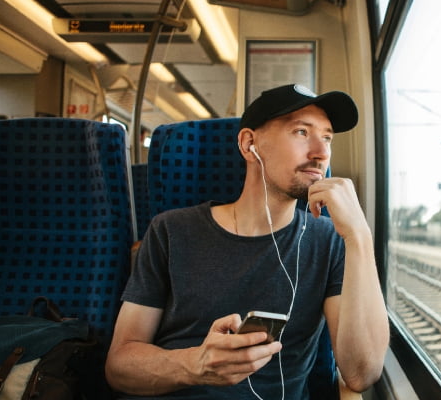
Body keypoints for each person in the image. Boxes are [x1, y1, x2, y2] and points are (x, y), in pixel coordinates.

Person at [105, 84, 389, 399]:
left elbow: (361, 373)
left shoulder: (330, 240)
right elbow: (119, 366)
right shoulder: (170, 230)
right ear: (249, 143)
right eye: (300, 132)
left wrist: (360, 236)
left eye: (326, 137)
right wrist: (196, 364)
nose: (321, 153)